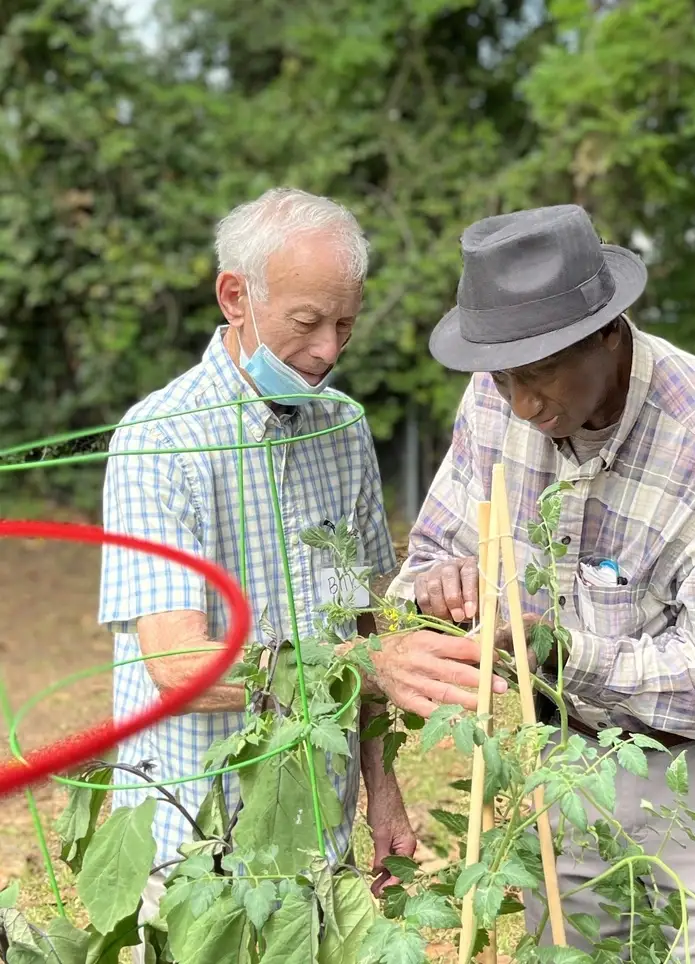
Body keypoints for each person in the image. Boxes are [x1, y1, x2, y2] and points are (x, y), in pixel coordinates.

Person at [387, 204, 695, 963]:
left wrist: (551, 648)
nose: (521, 403)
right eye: (504, 374)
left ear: (609, 333)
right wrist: (437, 588)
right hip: (572, 760)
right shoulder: (495, 396)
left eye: (542, 371)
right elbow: (433, 553)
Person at [99, 187, 505, 963]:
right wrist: (359, 667)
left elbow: (362, 628)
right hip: (198, 839)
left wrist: (383, 795)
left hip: (319, 833)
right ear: (236, 296)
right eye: (307, 324)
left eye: (344, 325)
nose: (326, 351)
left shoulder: (342, 427)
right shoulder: (158, 440)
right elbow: (179, 665)